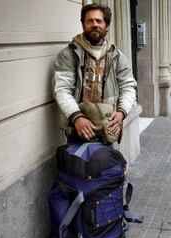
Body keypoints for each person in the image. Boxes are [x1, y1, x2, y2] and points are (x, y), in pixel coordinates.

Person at [52, 4, 137, 143]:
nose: (94, 24)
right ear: (83, 24)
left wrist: (121, 113)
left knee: (108, 163)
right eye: (89, 21)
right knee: (79, 164)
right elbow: (61, 89)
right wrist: (77, 117)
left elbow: (128, 87)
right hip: (77, 129)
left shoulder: (117, 56)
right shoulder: (69, 55)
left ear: (107, 26)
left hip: (108, 129)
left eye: (99, 21)